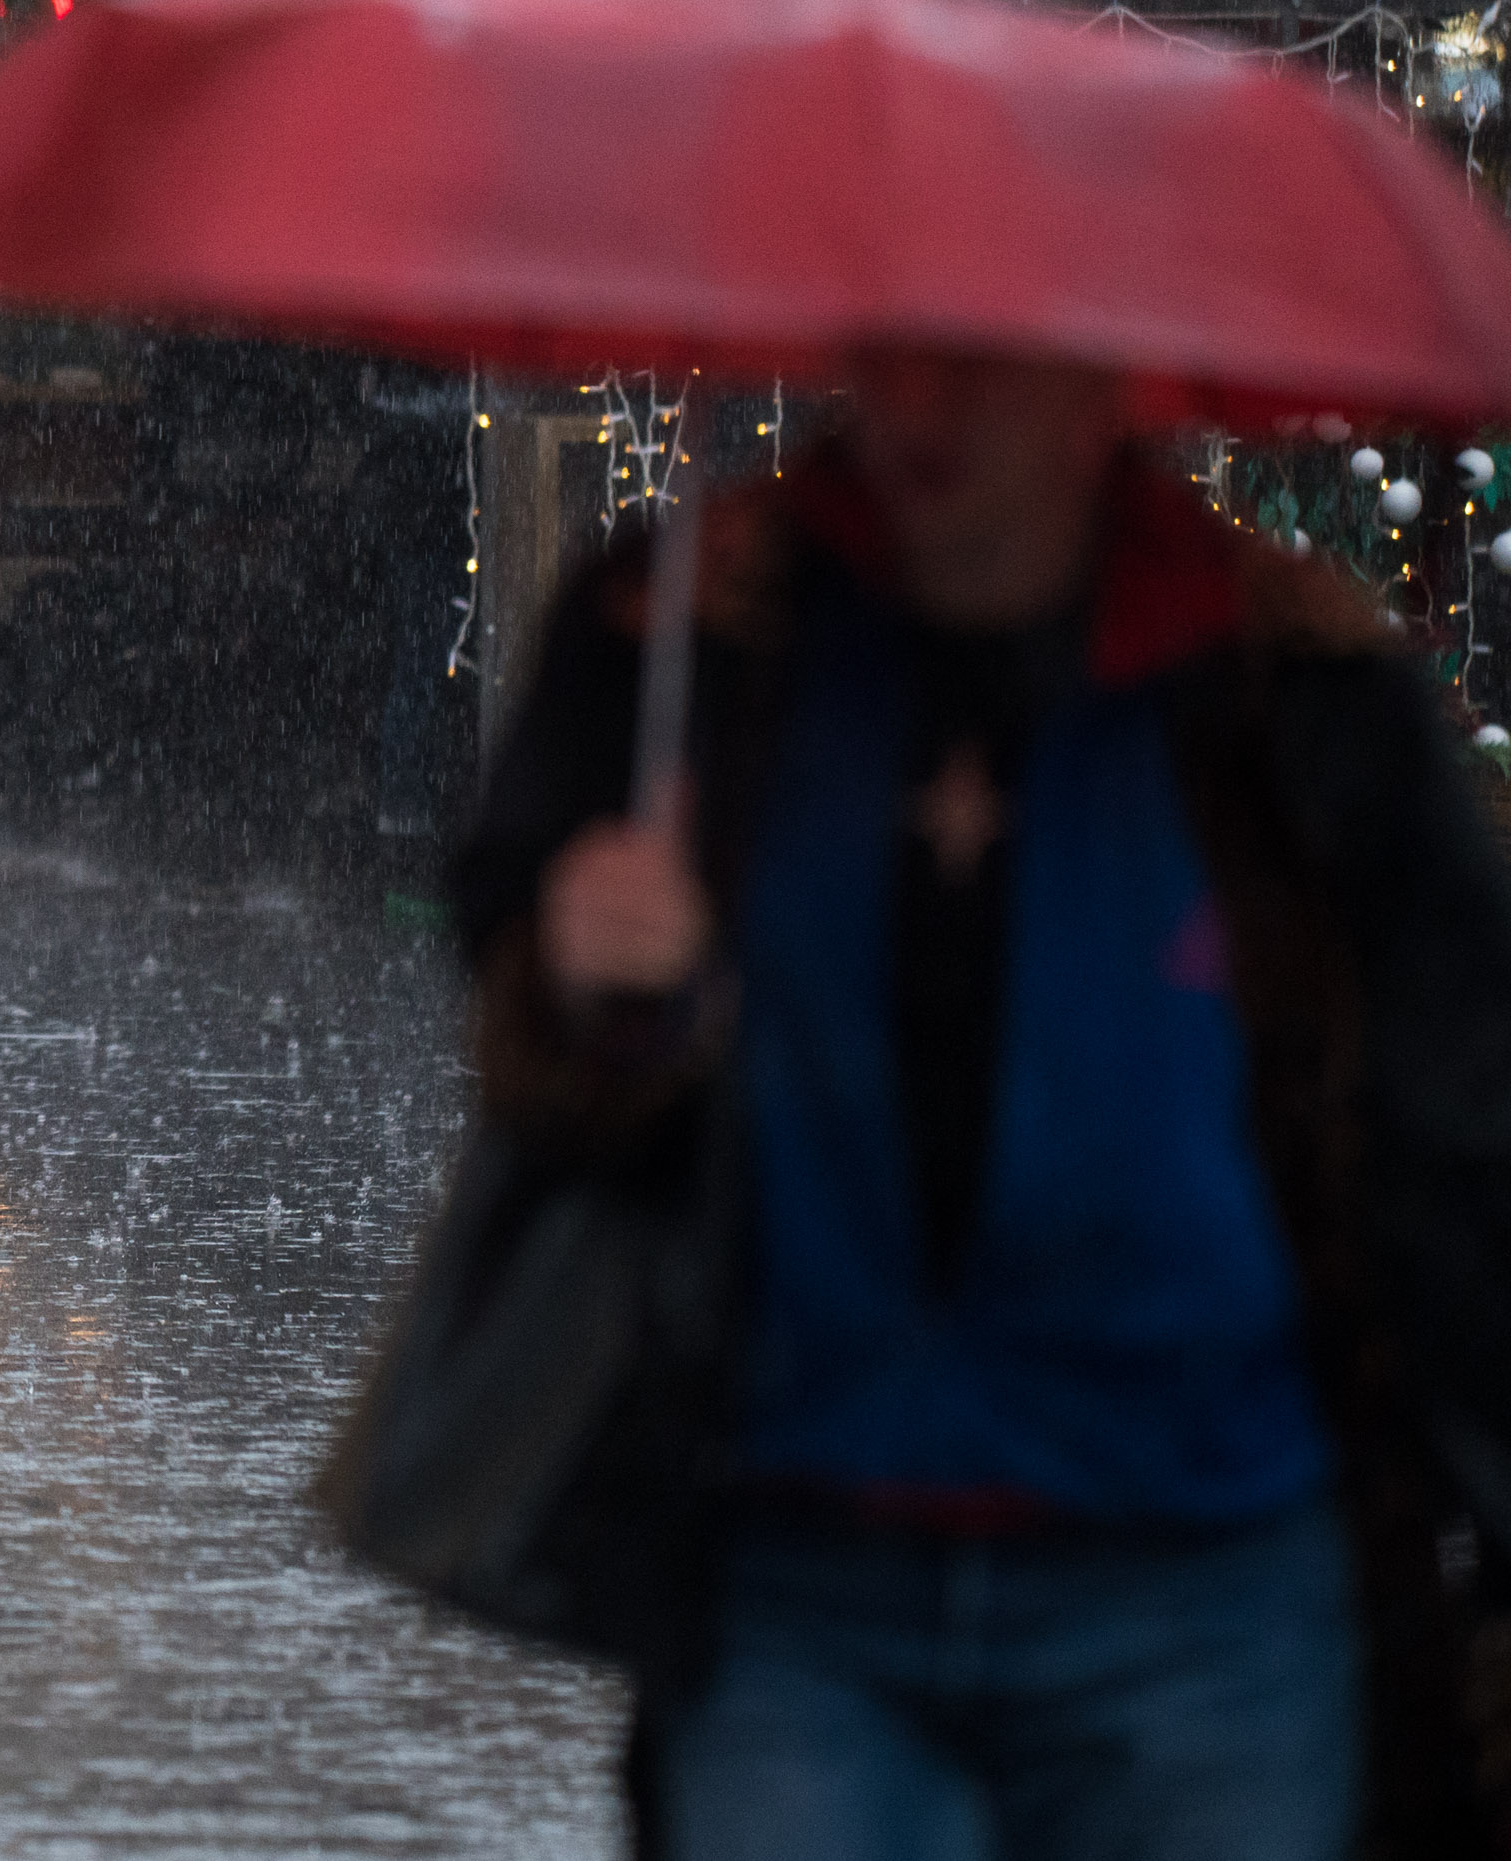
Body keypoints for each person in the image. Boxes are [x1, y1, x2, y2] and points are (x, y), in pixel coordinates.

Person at [451, 348, 1511, 1859]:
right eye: (899, 352)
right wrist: (589, 973)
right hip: (800, 1580)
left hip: (1206, 1582)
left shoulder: (1299, 686)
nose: (926, 406)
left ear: (1100, 386)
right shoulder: (685, 647)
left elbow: (1456, 1126)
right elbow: (542, 1057)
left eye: (990, 367)